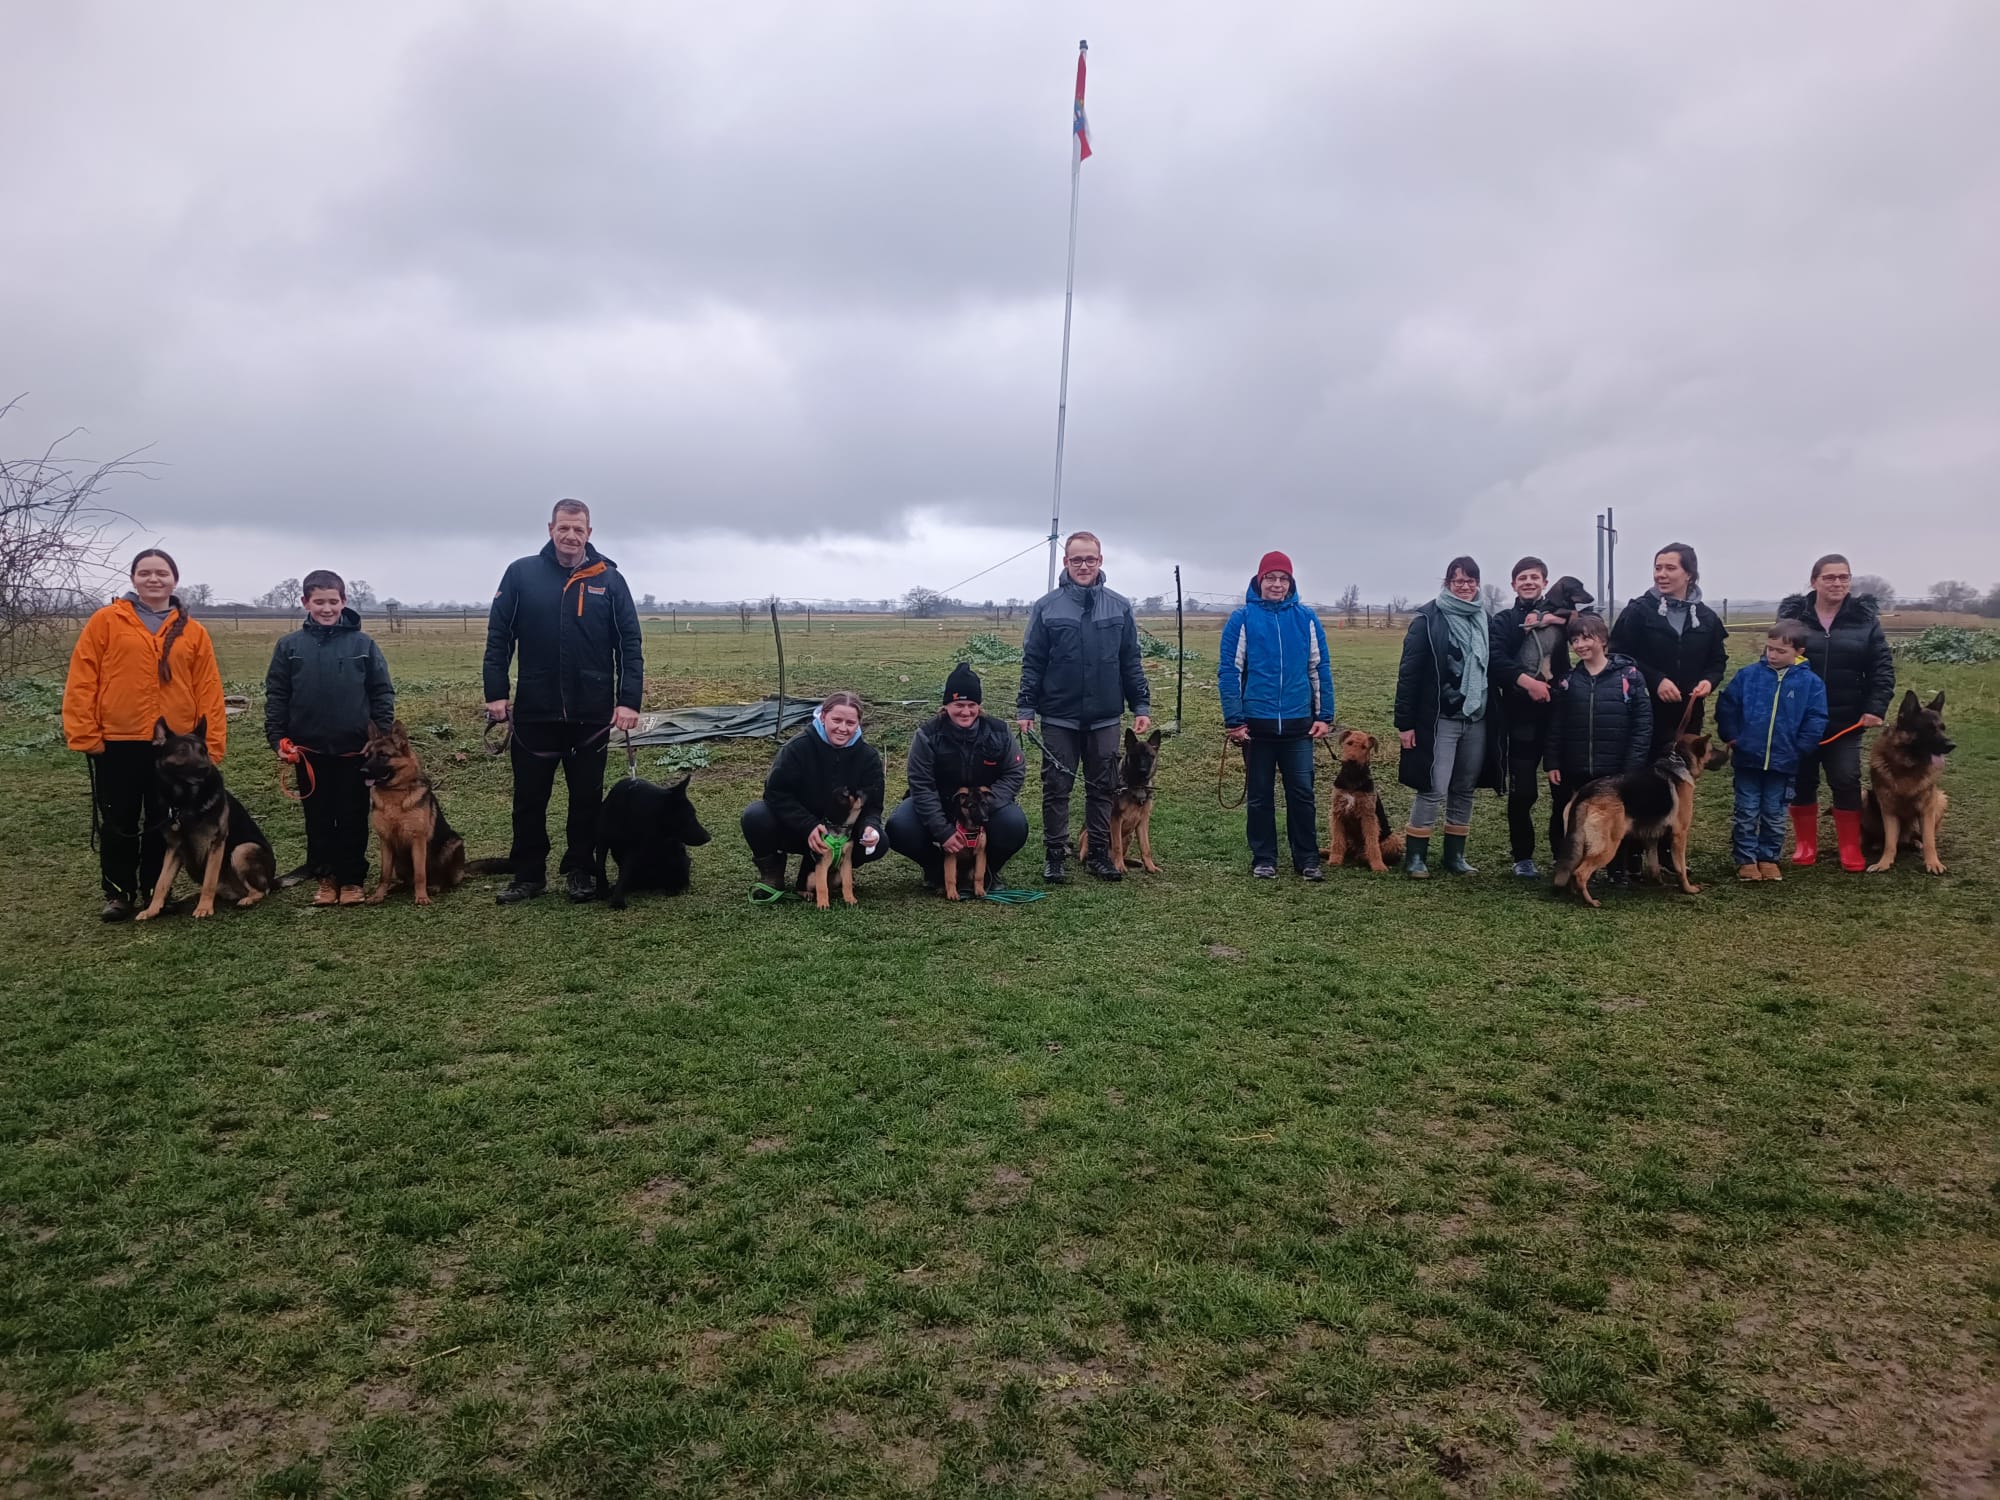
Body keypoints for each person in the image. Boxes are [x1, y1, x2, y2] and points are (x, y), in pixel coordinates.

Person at [482, 499, 644, 904]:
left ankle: (581, 869)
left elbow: (630, 645)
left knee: (586, 798)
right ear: (550, 528)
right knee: (529, 799)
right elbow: (499, 637)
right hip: (535, 709)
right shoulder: (521, 574)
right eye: (563, 528)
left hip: (591, 711)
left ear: (590, 533)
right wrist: (496, 692)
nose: (570, 536)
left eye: (579, 530)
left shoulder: (609, 579)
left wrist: (628, 701)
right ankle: (528, 874)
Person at [61, 548, 227, 920]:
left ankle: (157, 891)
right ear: (134, 578)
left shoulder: (193, 631)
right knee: (119, 817)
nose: (154, 579)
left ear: (174, 579)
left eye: (162, 573)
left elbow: (208, 688)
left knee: (161, 819)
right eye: (146, 573)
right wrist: (85, 731)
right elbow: (83, 677)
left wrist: (210, 742)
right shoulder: (106, 622)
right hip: (118, 739)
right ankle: (119, 893)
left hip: (175, 747)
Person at [1016, 531, 1151, 884]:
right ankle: (1055, 856)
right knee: (1056, 787)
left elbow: (1130, 661)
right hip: (1059, 716)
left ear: (1100, 561)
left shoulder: (1120, 607)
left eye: (1090, 558)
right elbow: (1033, 661)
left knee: (1102, 787)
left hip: (1105, 716)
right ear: (1066, 562)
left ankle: (1098, 854)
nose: (1083, 565)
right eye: (1076, 559)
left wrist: (1140, 704)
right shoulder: (1047, 607)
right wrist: (1026, 707)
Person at [263, 570, 396, 906]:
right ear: (305, 602)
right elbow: (277, 694)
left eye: (332, 601)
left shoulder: (363, 645)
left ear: (344, 602)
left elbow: (381, 692)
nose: (326, 608)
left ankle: (352, 880)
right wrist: (278, 737)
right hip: (309, 753)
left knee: (352, 817)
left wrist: (378, 737)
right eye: (318, 601)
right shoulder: (290, 647)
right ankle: (326, 878)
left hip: (355, 750)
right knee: (319, 819)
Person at [1217, 551, 1334, 880]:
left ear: (1291, 583)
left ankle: (1307, 859)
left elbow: (1318, 667)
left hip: (1299, 727)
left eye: (1283, 579)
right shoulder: (1241, 619)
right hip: (1257, 726)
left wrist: (1324, 715)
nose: (1277, 584)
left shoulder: (1307, 619)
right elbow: (1229, 671)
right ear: (1259, 580)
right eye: (1271, 578)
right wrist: (1234, 720)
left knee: (1302, 794)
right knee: (1259, 796)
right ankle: (1264, 858)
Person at [1776, 555, 1895, 871]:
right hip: (1799, 719)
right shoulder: (1793, 618)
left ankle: (1849, 847)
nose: (1837, 583)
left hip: (1846, 719)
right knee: (1802, 780)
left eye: (1844, 577)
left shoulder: (1865, 620)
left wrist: (1875, 707)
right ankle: (1805, 845)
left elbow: (1882, 668)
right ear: (1814, 581)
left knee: (1846, 779)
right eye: (1829, 577)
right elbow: (1774, 661)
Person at [1394, 556, 1503, 878]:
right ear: (1447, 583)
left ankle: (1455, 857)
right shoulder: (1428, 620)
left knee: (1464, 787)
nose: (1465, 586)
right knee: (1433, 787)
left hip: (1478, 717)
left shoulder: (1486, 618)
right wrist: (1405, 723)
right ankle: (1416, 858)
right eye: (1458, 581)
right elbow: (1409, 674)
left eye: (1471, 581)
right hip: (1440, 718)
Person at [886, 664, 1029, 892]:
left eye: (972, 705)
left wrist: (983, 805)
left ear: (979, 706)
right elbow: (921, 785)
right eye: (958, 705)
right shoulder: (927, 735)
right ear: (946, 705)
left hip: (984, 805)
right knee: (899, 827)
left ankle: (987, 871)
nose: (966, 712)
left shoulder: (1000, 731)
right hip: (940, 803)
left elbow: (1015, 772)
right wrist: (943, 831)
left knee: (1014, 824)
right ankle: (936, 870)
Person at [1715, 621, 1828, 882]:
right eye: (1770, 649)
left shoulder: (1811, 684)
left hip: (1784, 763)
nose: (1773, 655)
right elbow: (1727, 706)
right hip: (1747, 759)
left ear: (1798, 651)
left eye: (1780, 651)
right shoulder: (1748, 676)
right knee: (1746, 811)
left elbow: (1816, 718)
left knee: (1775, 813)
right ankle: (1745, 860)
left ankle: (1768, 858)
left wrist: (1801, 747)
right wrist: (1732, 737)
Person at [741, 691, 886, 893]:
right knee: (756, 816)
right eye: (837, 720)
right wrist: (808, 825)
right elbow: (776, 793)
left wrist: (871, 828)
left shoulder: (868, 757)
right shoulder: (797, 747)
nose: (843, 728)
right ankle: (772, 873)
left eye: (850, 723)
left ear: (858, 724)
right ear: (823, 716)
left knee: (880, 842)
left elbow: (872, 804)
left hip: (839, 835)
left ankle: (825, 869)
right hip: (798, 828)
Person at [1488, 556, 1574, 877]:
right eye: (1522, 577)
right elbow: (1496, 659)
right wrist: (1528, 683)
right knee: (1523, 792)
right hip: (1520, 716)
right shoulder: (1504, 620)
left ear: (1544, 582)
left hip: (1559, 717)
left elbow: (1590, 629)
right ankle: (1522, 857)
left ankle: (1560, 852)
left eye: (1534, 577)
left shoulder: (1561, 615)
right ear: (1513, 584)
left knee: (1562, 790)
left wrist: (1559, 620)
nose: (1528, 582)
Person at [1544, 613, 1652, 867]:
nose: (1580, 645)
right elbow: (1556, 725)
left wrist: (1632, 767)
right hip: (1575, 767)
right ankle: (1566, 865)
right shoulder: (1569, 681)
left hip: (1615, 769)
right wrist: (1552, 762)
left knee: (1615, 821)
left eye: (1586, 638)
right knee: (1571, 817)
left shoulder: (1630, 677)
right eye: (1575, 640)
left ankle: (1619, 869)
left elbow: (1643, 725)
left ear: (1603, 640)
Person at [1609, 543, 1729, 758]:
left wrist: (1709, 681)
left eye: (1670, 568)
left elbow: (1717, 660)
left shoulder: (1707, 618)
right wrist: (1656, 680)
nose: (1661, 575)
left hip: (1688, 714)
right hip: (1643, 711)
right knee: (1643, 781)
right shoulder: (1638, 611)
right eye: (1657, 568)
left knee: (1679, 778)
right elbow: (1618, 656)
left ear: (1689, 575)